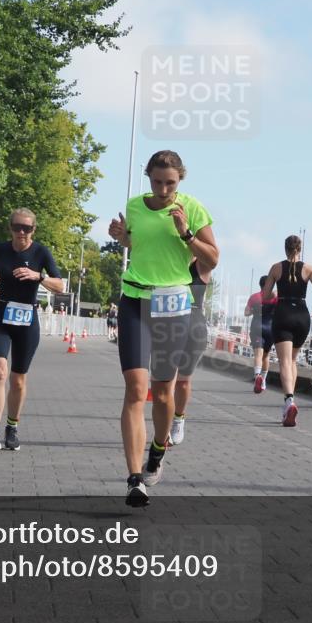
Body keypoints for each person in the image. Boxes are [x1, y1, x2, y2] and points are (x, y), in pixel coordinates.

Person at [108, 150, 218, 506]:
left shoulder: (193, 208)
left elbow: (213, 258)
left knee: (163, 393)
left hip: (173, 305)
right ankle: (134, 479)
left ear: (180, 179)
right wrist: (122, 237)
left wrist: (187, 234)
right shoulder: (135, 206)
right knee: (135, 388)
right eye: (157, 182)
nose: (164, 189)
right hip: (134, 299)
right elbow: (139, 244)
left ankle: (158, 449)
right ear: (149, 177)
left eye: (170, 183)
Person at [0, 208, 64, 452]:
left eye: (27, 228)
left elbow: (59, 285)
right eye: (17, 227)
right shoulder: (0, 249)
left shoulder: (41, 252)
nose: (21, 232)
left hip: (27, 322)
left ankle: (12, 427)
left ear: (33, 229)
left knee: (18, 380)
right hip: (1, 318)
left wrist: (38, 276)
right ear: (10, 228)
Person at [261, 235, 312, 427]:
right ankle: (291, 400)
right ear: (300, 249)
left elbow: (265, 296)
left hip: (283, 314)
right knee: (293, 360)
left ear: (285, 249)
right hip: (302, 316)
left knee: (284, 362)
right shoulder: (309, 269)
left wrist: (276, 293)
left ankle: (289, 401)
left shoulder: (276, 268)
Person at [168, 257, 214, 445]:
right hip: (168, 323)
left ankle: (178, 419)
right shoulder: (168, 261)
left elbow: (213, 255)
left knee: (183, 381)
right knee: (166, 379)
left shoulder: (201, 265)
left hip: (194, 326)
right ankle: (163, 427)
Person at [245, 276, 278, 393]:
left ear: (260, 285)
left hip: (257, 326)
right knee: (266, 356)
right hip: (270, 328)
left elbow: (246, 313)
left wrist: (254, 310)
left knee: (258, 354)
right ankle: (263, 381)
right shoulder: (275, 297)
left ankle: (257, 376)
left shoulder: (254, 297)